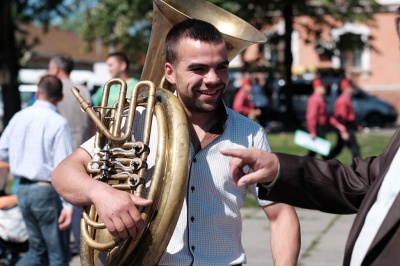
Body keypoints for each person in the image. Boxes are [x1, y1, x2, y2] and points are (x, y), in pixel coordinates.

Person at [51, 19, 300, 265]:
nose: (213, 78)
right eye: (199, 69)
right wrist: (99, 193)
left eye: (221, 67)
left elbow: (281, 214)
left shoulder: (250, 133)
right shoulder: (137, 122)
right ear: (169, 72)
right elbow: (63, 173)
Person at [0, 75, 74, 266]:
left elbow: (2, 151)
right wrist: (68, 205)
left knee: (36, 251)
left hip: (22, 190)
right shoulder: (58, 122)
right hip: (45, 191)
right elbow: (64, 166)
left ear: (37, 93)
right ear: (60, 98)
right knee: (58, 256)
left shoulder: (18, 117)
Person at [47, 53, 91, 254]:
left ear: (55, 69)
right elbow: (92, 125)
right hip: (83, 155)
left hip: (57, 159)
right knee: (80, 210)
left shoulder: (51, 90)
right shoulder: (84, 90)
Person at [305, 78, 348, 158]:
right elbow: (311, 116)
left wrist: (338, 125)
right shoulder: (315, 100)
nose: (325, 89)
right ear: (317, 87)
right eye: (323, 87)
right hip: (317, 129)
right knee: (324, 152)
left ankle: (304, 166)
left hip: (321, 128)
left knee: (314, 153)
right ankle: (328, 168)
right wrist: (312, 131)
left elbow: (327, 116)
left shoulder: (321, 99)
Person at [327, 78, 361, 159]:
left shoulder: (347, 99)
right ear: (345, 88)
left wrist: (356, 125)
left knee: (339, 148)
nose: (353, 89)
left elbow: (350, 116)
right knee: (355, 148)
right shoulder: (342, 101)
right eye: (351, 87)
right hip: (345, 126)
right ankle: (359, 167)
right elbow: (340, 118)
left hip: (347, 126)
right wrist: (343, 131)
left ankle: (326, 160)